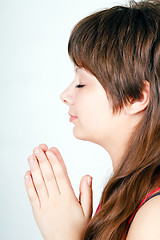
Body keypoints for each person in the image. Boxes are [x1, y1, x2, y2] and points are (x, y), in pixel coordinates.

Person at [24, 0, 160, 239]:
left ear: (137, 96)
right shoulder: (127, 198)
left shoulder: (154, 216)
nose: (65, 96)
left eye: (81, 82)